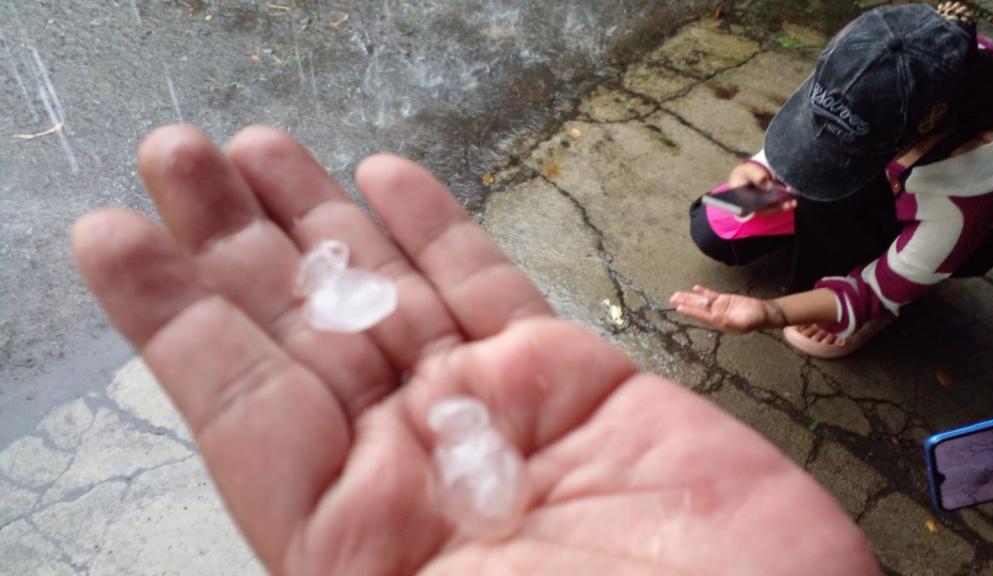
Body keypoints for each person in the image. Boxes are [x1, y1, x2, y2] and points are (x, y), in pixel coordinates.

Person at [74, 124, 885, 574]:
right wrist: (757, 189)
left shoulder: (943, 214)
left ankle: (833, 282)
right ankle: (784, 216)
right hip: (818, 208)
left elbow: (883, 282)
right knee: (722, 218)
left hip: (874, 269)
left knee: (837, 261)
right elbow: (762, 173)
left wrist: (772, 312)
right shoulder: (810, 134)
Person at [672, 2, 993, 358]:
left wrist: (772, 311)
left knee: (833, 221)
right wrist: (763, 168)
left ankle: (891, 279)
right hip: (890, 173)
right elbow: (818, 113)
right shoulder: (877, 50)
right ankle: (841, 239)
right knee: (715, 227)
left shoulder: (974, 176)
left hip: (955, 223)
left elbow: (874, 292)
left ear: (924, 130)